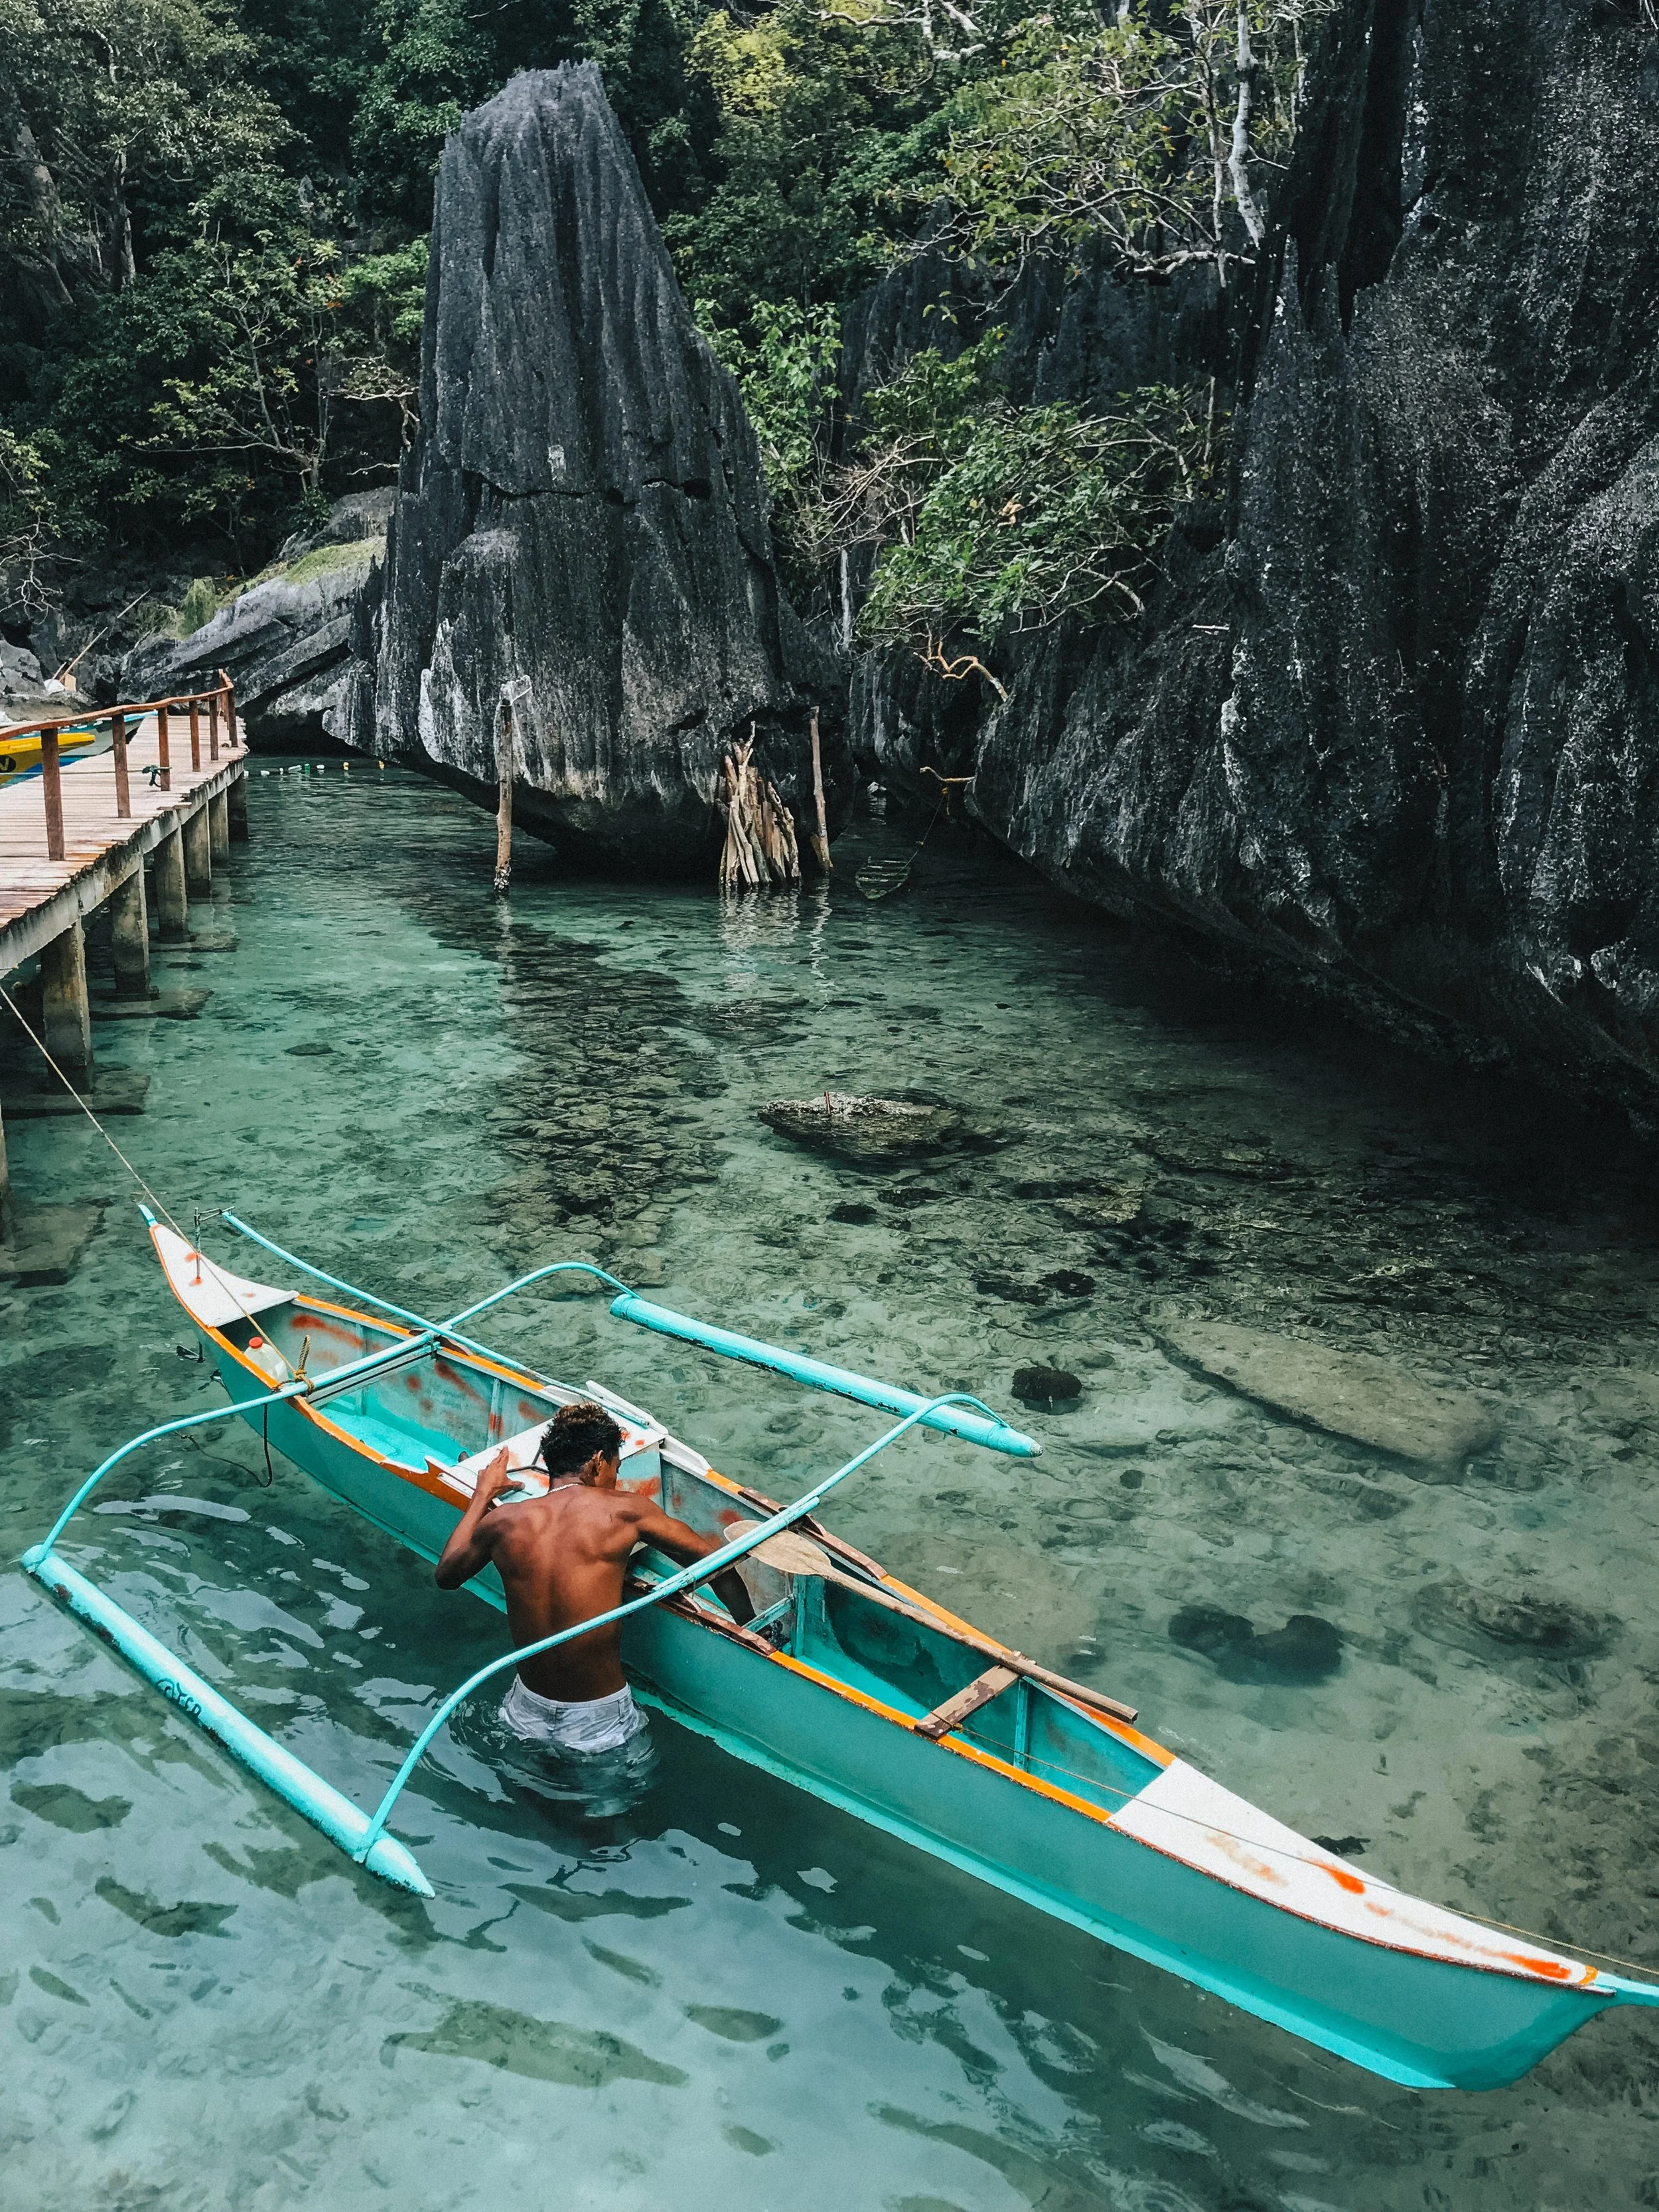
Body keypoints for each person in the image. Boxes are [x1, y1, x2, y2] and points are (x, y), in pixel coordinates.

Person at [435, 1398, 755, 1753]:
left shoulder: (504, 1521)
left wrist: (483, 1495)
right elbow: (715, 1565)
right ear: (598, 1461)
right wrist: (754, 1631)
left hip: (525, 1709)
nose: (615, 1481)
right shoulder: (624, 1512)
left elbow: (447, 1575)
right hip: (598, 1719)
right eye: (615, 1469)